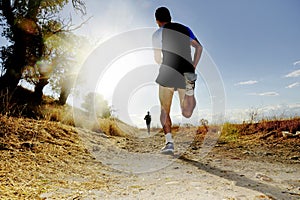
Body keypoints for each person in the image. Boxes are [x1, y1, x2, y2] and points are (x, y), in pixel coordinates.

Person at [152, 7, 203, 154]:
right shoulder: (185, 29)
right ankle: (189, 88)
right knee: (186, 113)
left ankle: (169, 143)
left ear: (157, 21)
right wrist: (192, 66)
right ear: (170, 17)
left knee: (164, 109)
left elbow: (156, 59)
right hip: (186, 71)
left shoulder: (157, 34)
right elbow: (199, 48)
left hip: (168, 70)